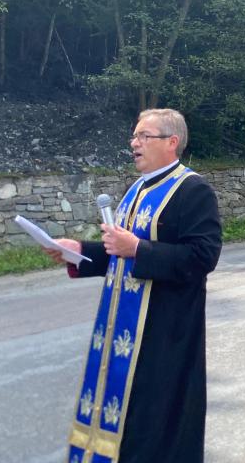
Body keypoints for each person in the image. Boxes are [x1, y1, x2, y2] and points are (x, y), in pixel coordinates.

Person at [44, 108, 223, 463]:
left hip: (164, 333)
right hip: (121, 331)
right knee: (123, 418)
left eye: (144, 136)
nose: (134, 143)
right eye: (134, 136)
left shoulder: (193, 190)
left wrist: (139, 248)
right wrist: (78, 251)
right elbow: (119, 252)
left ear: (172, 142)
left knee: (154, 424)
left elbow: (203, 257)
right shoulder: (136, 189)